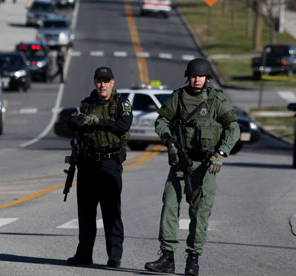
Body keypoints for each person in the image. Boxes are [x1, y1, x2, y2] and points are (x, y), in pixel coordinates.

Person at [144, 58, 240, 276]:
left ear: (207, 78)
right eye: (194, 76)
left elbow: (233, 128)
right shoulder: (178, 97)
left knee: (200, 213)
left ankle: (193, 259)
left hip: (207, 165)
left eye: (201, 76)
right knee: (169, 205)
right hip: (180, 161)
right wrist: (168, 140)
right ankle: (167, 257)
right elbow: (161, 122)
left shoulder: (216, 100)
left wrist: (221, 153)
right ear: (188, 77)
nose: (197, 80)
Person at [66, 66, 132, 268]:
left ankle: (114, 256)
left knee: (111, 211)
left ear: (113, 82)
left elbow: (124, 125)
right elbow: (72, 123)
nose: (102, 85)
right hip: (87, 164)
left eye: (106, 81)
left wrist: (97, 121)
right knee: (86, 213)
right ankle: (84, 255)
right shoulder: (86, 104)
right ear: (95, 82)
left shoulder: (122, 103)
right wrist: (76, 120)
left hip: (109, 163)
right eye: (99, 81)